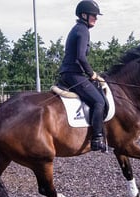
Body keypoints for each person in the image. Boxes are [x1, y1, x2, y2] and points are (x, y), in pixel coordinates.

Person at [59, 0, 106, 152]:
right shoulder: (82, 30)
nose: (96, 19)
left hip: (70, 72)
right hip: (73, 74)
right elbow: (81, 57)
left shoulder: (78, 28)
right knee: (99, 101)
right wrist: (92, 74)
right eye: (93, 15)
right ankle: (97, 138)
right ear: (84, 15)